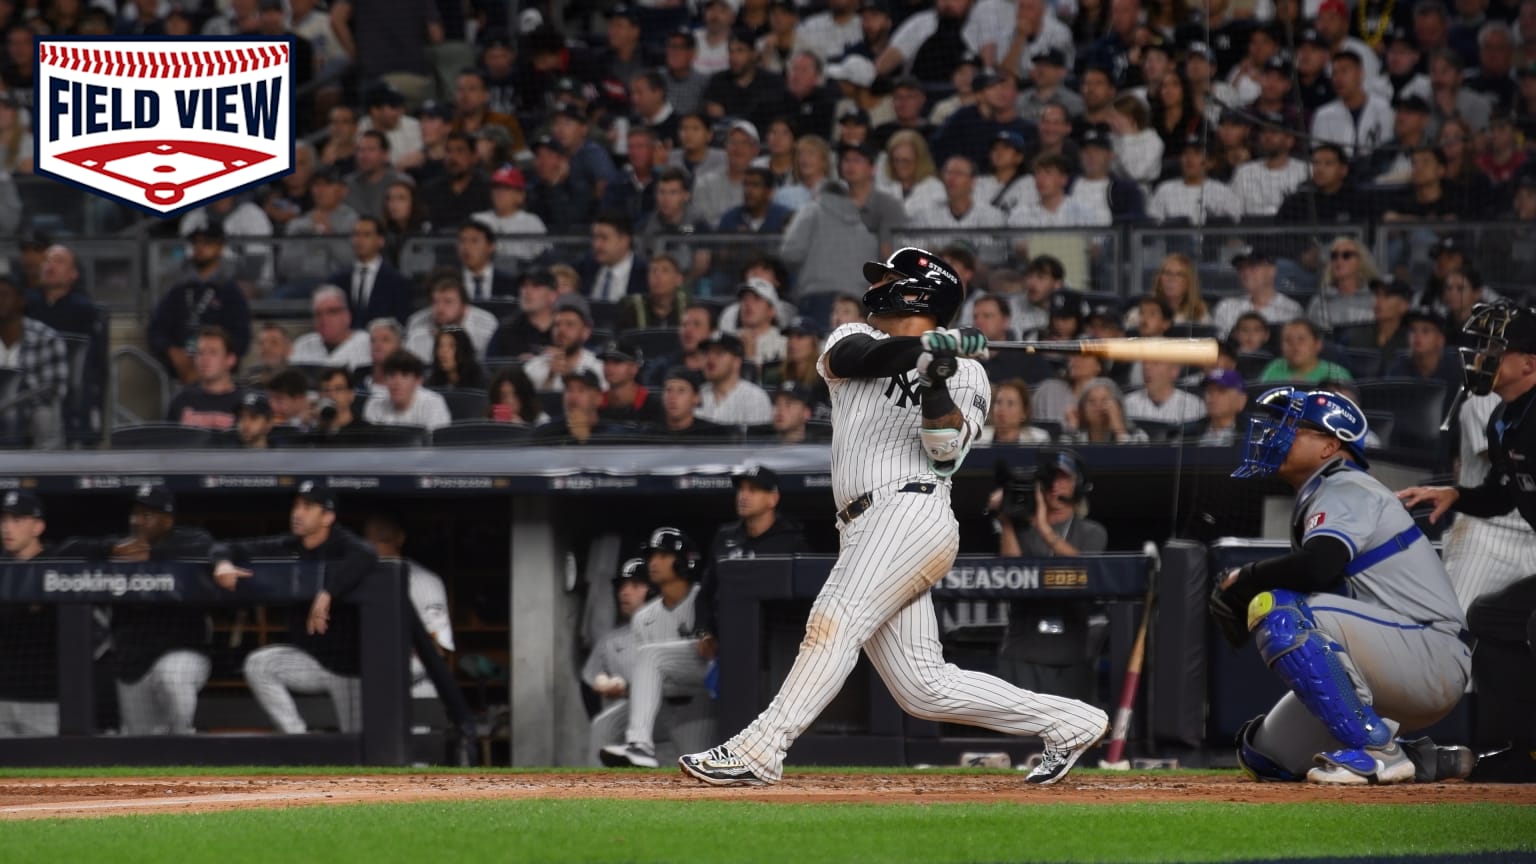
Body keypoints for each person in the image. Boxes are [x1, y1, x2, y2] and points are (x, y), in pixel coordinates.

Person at [679, 251, 1109, 787]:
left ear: (918, 293)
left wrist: (937, 378)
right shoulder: (850, 336)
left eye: (889, 278)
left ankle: (761, 747)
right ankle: (1070, 722)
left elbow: (946, 452)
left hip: (911, 509)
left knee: (830, 622)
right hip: (863, 523)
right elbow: (860, 358)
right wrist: (926, 351)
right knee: (923, 688)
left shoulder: (971, 374)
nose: (878, 284)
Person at [1211, 387, 1474, 785]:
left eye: (1293, 427)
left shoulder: (1345, 486)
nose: (1276, 434)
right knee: (1266, 757)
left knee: (1280, 612)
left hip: (1429, 653)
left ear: (1329, 446)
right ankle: (1421, 759)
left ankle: (1377, 751)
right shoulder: (1321, 492)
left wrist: (1247, 579)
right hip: (1392, 664)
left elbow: (1319, 566)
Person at [1397, 301, 1536, 781]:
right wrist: (1455, 493)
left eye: (1496, 349)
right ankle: (1524, 750)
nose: (1482, 358)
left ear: (1528, 363)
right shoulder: (1503, 418)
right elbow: (1502, 497)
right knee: (1490, 617)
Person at [215, 482, 379, 734]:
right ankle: (298, 735)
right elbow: (226, 547)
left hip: (349, 669)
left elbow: (367, 554)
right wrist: (222, 563)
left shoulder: (343, 543)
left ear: (328, 516)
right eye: (296, 505)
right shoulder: (290, 545)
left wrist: (327, 592)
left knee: (359, 742)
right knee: (259, 665)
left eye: (308, 507)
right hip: (310, 660)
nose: (297, 513)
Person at [62, 485, 214, 735]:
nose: (138, 521)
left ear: (167, 519)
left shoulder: (191, 540)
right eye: (135, 514)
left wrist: (153, 553)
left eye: (147, 515)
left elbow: (207, 548)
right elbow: (68, 549)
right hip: (133, 663)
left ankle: (184, 741)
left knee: (173, 676)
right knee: (139, 743)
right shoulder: (121, 547)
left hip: (182, 654)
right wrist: (110, 549)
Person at [993, 448, 1106, 703]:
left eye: (1064, 478)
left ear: (1079, 485)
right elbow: (1009, 574)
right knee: (1020, 739)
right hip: (1022, 651)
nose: (1056, 486)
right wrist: (1007, 522)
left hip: (1071, 656)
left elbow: (1084, 568)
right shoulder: (1022, 530)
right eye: (1050, 478)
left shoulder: (1091, 531)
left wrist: (1043, 528)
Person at [599, 528, 718, 768]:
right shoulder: (643, 616)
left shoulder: (702, 600)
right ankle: (598, 786)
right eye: (652, 556)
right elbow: (647, 680)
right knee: (605, 724)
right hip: (663, 704)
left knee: (696, 771)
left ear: (685, 561)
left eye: (663, 556)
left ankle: (641, 747)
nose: (654, 562)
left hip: (700, 703)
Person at [146, 225, 252, 384]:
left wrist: (208, 361)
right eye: (196, 243)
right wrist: (172, 351)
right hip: (179, 374)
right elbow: (156, 330)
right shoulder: (178, 290)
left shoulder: (231, 292)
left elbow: (241, 339)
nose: (200, 247)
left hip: (219, 376)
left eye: (207, 243)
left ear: (220, 248)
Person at [585, 558, 652, 765]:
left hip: (666, 727)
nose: (624, 592)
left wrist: (628, 689)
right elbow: (588, 682)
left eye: (635, 585)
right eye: (622, 586)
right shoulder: (610, 640)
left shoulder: (670, 632)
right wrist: (602, 683)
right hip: (619, 727)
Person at [0, 490, 56, 736]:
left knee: (52, 772)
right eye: (4, 520)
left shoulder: (58, 565)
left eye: (17, 520)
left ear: (38, 526)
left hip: (45, 700)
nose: (7, 528)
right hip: (2, 697)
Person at [329, 218, 413, 327]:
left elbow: (401, 321)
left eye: (366, 235)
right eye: (356, 234)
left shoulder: (397, 282)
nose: (359, 240)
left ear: (381, 241)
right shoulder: (337, 280)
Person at [1212, 247, 1304, 340]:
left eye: (1253, 266)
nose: (1246, 272)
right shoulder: (1226, 307)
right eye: (1241, 267)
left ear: (1272, 270)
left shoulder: (1291, 309)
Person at [405, 276, 499, 361]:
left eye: (448, 302)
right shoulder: (417, 323)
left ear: (464, 307)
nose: (440, 308)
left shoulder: (486, 324)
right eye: (435, 301)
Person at [167, 326, 243, 430]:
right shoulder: (181, 400)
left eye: (213, 352)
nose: (205, 359)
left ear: (230, 360)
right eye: (200, 353)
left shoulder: (246, 401)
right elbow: (166, 442)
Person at [523, 296, 605, 393]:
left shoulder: (598, 369)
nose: (561, 330)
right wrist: (550, 377)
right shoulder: (533, 367)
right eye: (557, 324)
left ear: (585, 332)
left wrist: (568, 375)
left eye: (570, 324)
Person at [697, 331, 773, 426]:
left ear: (736, 362)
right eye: (706, 353)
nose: (710, 359)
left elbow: (757, 440)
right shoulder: (695, 396)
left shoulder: (754, 398)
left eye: (719, 353)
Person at [363, 349, 452, 431]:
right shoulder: (374, 404)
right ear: (385, 379)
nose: (396, 382)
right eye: (391, 375)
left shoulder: (433, 403)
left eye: (404, 375)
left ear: (418, 380)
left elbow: (436, 445)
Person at [288, 286, 373, 371]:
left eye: (332, 312)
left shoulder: (368, 343)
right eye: (318, 314)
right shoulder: (303, 344)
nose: (324, 319)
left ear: (347, 315)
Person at [1260, 319, 1354, 384]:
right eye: (1288, 340)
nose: (1294, 345)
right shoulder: (1274, 368)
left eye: (1301, 339)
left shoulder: (1336, 374)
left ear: (1317, 345)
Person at [647, 367, 730, 440]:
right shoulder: (648, 435)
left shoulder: (713, 434)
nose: (672, 397)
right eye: (668, 390)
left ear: (696, 398)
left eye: (681, 391)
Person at [598, 340, 662, 425]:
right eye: (606, 362)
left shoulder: (653, 406)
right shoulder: (595, 403)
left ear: (634, 368)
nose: (609, 367)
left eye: (617, 362)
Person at [1125, 360, 1206, 426]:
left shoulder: (1194, 405)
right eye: (1145, 363)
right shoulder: (1126, 404)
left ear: (1174, 370)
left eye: (1155, 363)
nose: (1147, 367)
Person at [978, 378, 1051, 444]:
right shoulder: (977, 439)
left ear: (1024, 413)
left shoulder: (1038, 440)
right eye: (998, 402)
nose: (1002, 409)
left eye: (1010, 403)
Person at [1198, 369, 1248, 446]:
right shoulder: (1188, 434)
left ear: (1241, 400)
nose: (1213, 397)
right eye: (1209, 391)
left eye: (1221, 391)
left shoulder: (1256, 435)